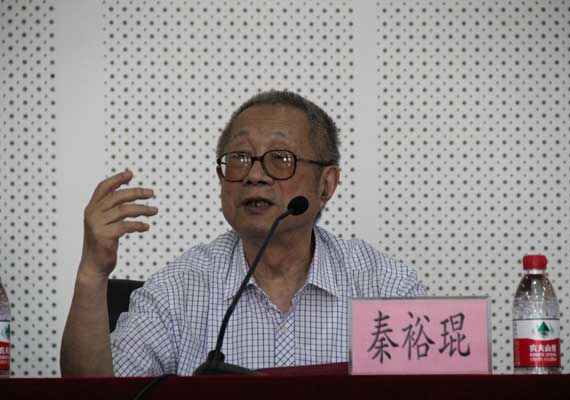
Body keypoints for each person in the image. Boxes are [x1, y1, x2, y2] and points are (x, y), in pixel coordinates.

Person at [60, 90, 426, 376]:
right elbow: (99, 395)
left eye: (280, 158)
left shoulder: (384, 288)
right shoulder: (179, 289)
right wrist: (92, 273)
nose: (254, 175)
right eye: (239, 158)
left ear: (326, 184)